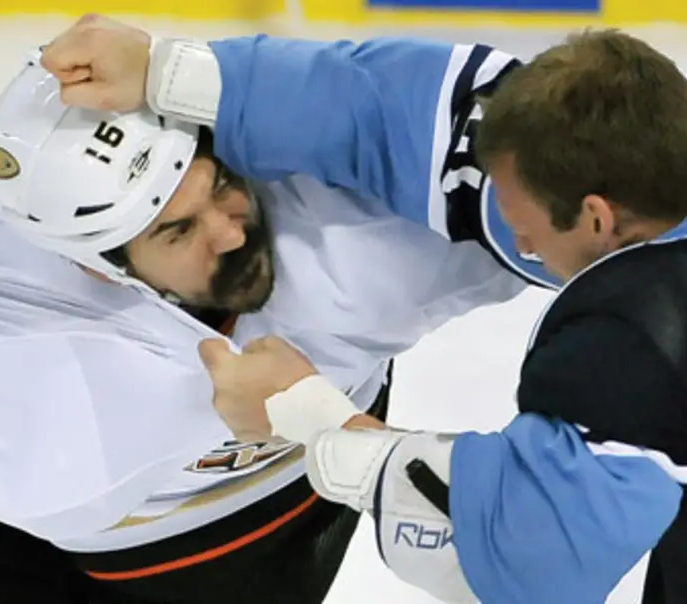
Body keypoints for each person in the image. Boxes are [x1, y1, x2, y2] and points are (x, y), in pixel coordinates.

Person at [0, 43, 527, 604]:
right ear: (95, 260)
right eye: (176, 231)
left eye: (219, 185)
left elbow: (611, 172)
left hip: (238, 533)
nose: (232, 230)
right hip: (8, 518)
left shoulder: (355, 235)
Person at [39, 18, 687, 604]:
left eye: (531, 231)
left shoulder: (634, 340)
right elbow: (380, 109)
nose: (518, 247)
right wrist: (165, 71)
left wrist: (315, 416)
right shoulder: (636, 158)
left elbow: (534, 563)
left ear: (599, 217)